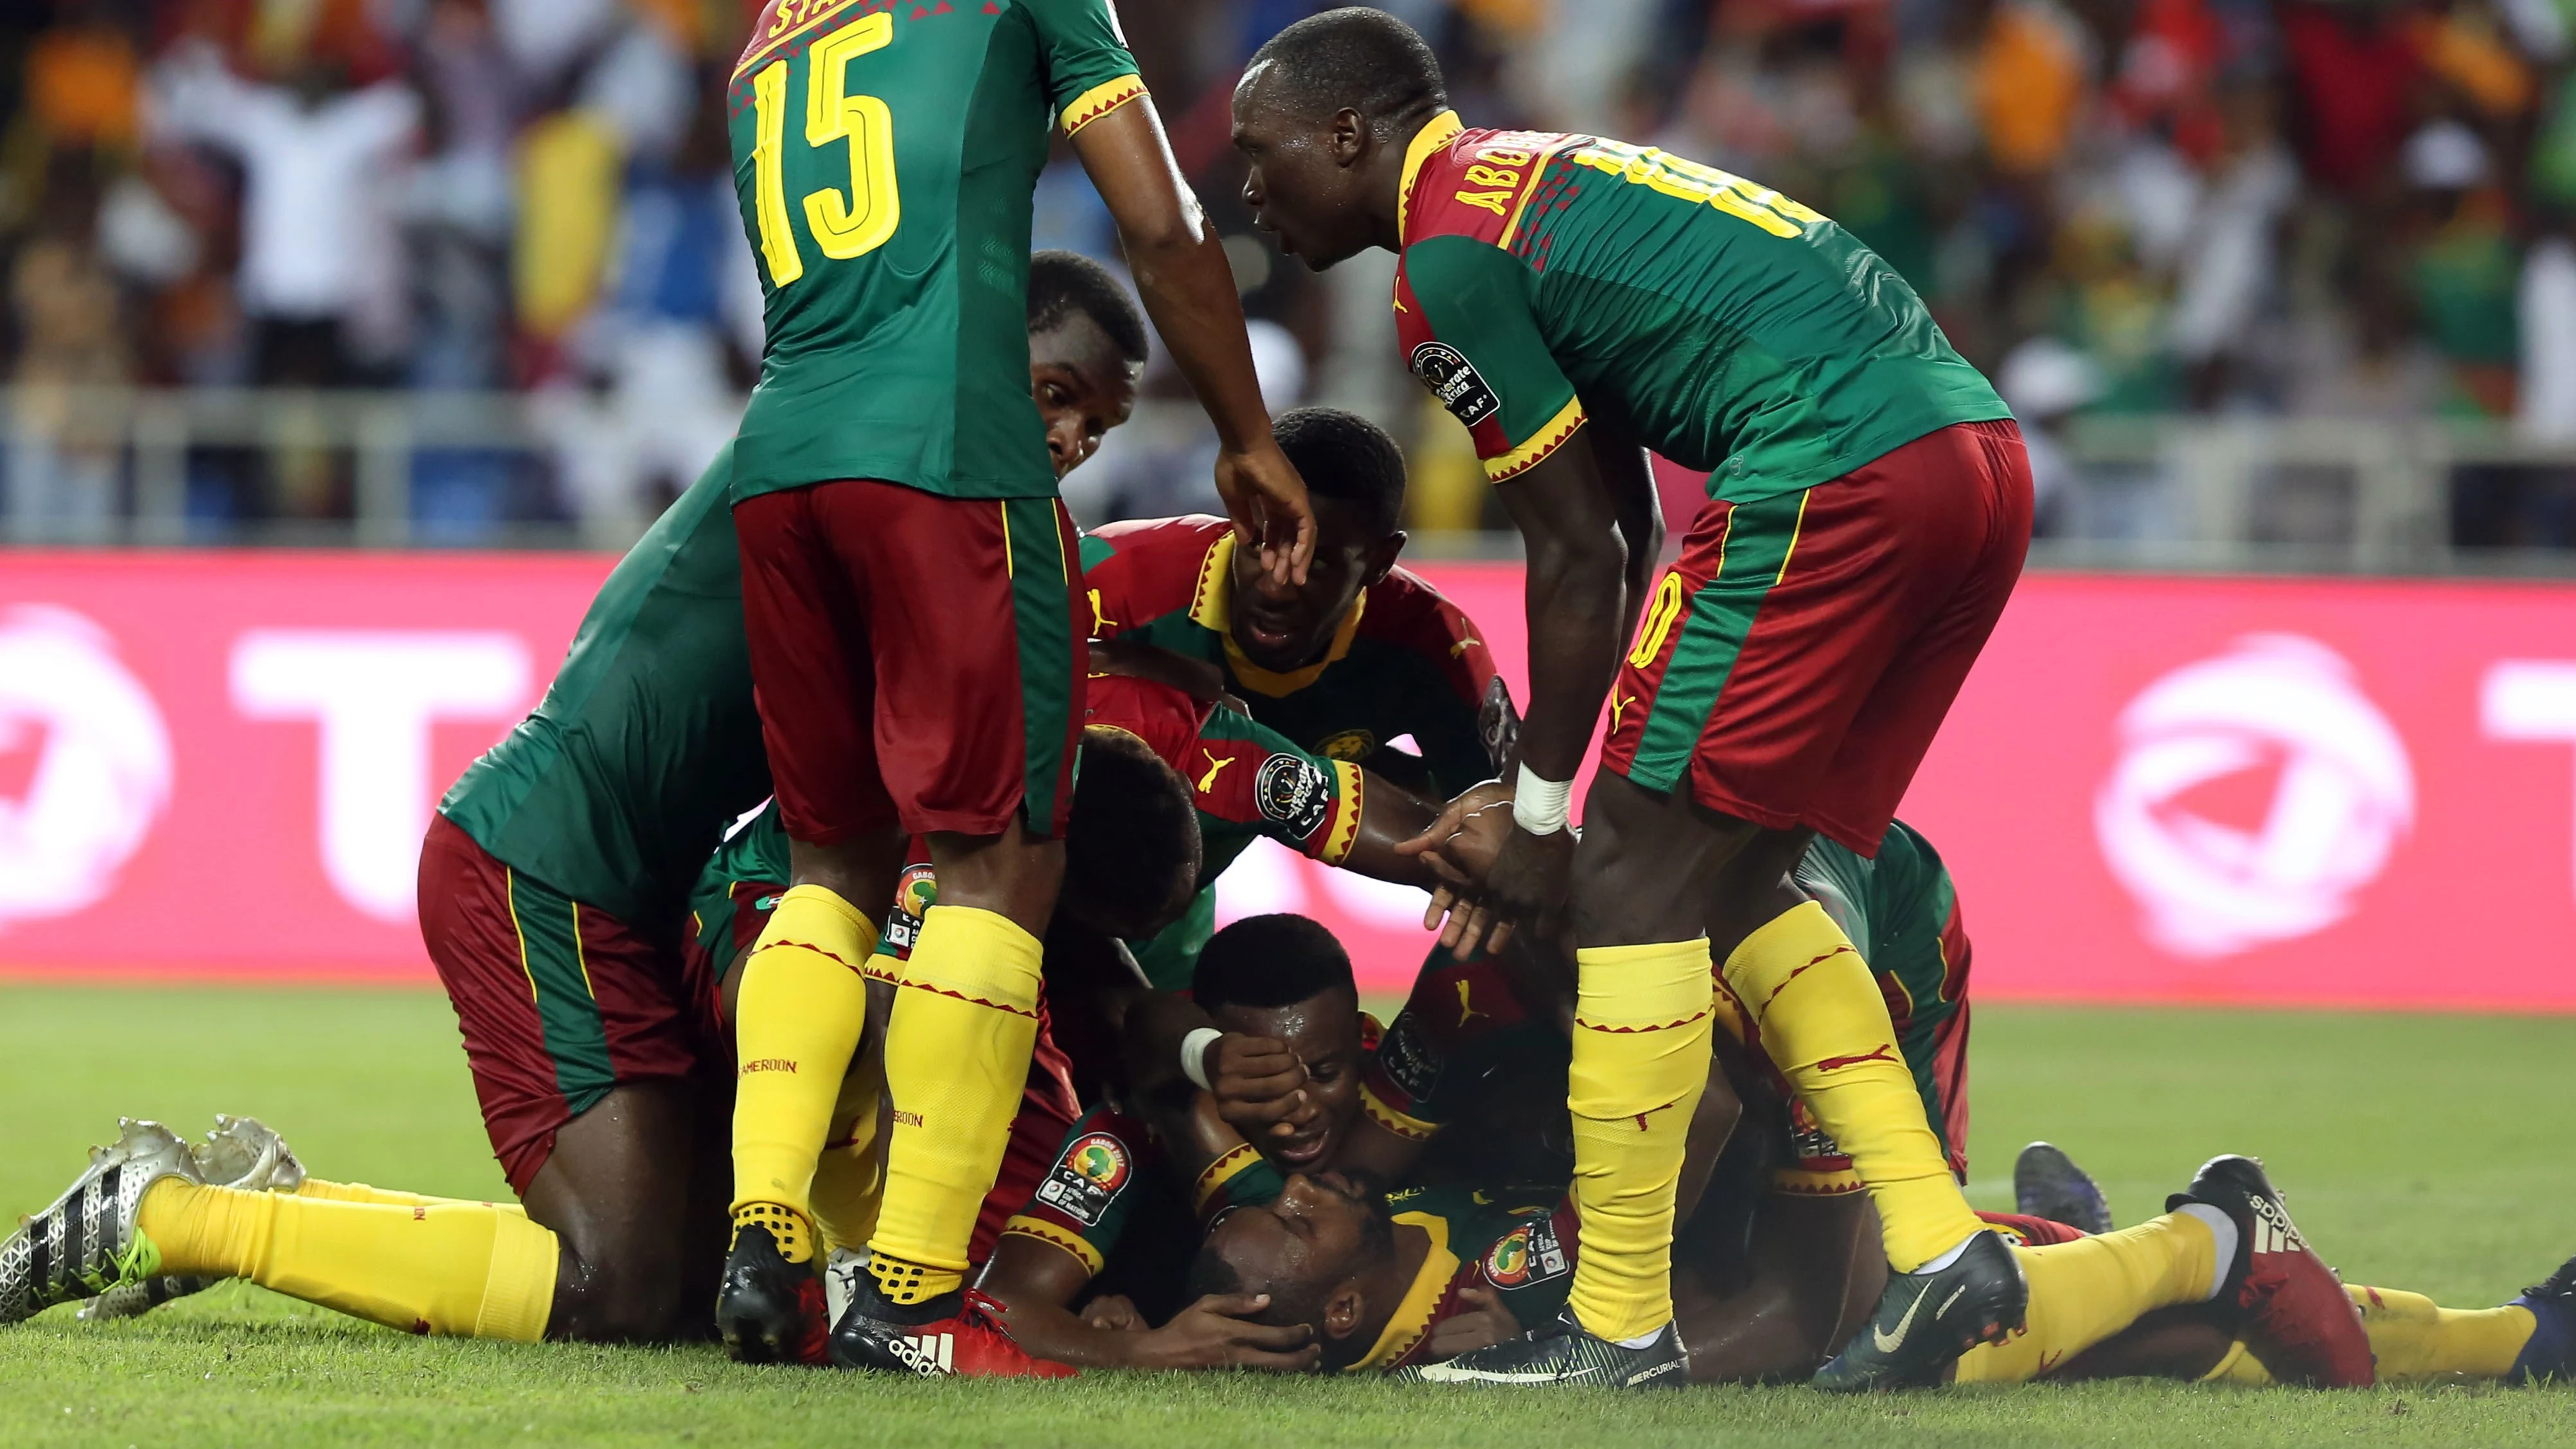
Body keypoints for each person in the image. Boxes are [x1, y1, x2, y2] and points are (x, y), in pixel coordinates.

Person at [0, 261, 1151, 1344]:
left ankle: (286, 1208)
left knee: (693, 1279)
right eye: (1053, 395)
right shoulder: (865, 449)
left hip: (634, 890)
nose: (1067, 439)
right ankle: (163, 1214)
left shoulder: (927, 481)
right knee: (620, 1283)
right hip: (543, 864)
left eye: (1093, 428)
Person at [1232, 7, 2034, 1387]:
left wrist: (1542, 817)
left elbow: (1574, 549)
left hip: (1827, 466)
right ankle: (1939, 1234)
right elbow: (1614, 528)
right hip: (1971, 458)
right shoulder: (1526, 184)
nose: (1243, 183)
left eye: (1261, 151)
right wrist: (1560, 799)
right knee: (1734, 873)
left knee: (1626, 888)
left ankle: (1616, 1327)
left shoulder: (1444, 258)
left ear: (1348, 134)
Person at [715, 0, 1318, 1376]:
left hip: (782, 445)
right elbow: (1161, 222)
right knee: (1002, 865)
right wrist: (1246, 434)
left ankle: (768, 1228)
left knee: (835, 862)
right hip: (945, 449)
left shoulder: (775, 27)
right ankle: (911, 1289)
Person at [1081, 404, 1511, 988]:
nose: (1280, 584)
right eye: (1263, 544)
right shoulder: (1112, 579)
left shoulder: (1433, 645)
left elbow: (1504, 832)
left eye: (1319, 560)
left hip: (1170, 917)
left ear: (1381, 561)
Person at [972, 914, 1373, 1370]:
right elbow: (997, 1306)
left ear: (1363, 1042)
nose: (1301, 1109)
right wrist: (1143, 1351)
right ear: (1213, 1065)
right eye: (1259, 1085)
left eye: (1324, 1075)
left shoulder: (1392, 1103)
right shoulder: (1130, 1136)